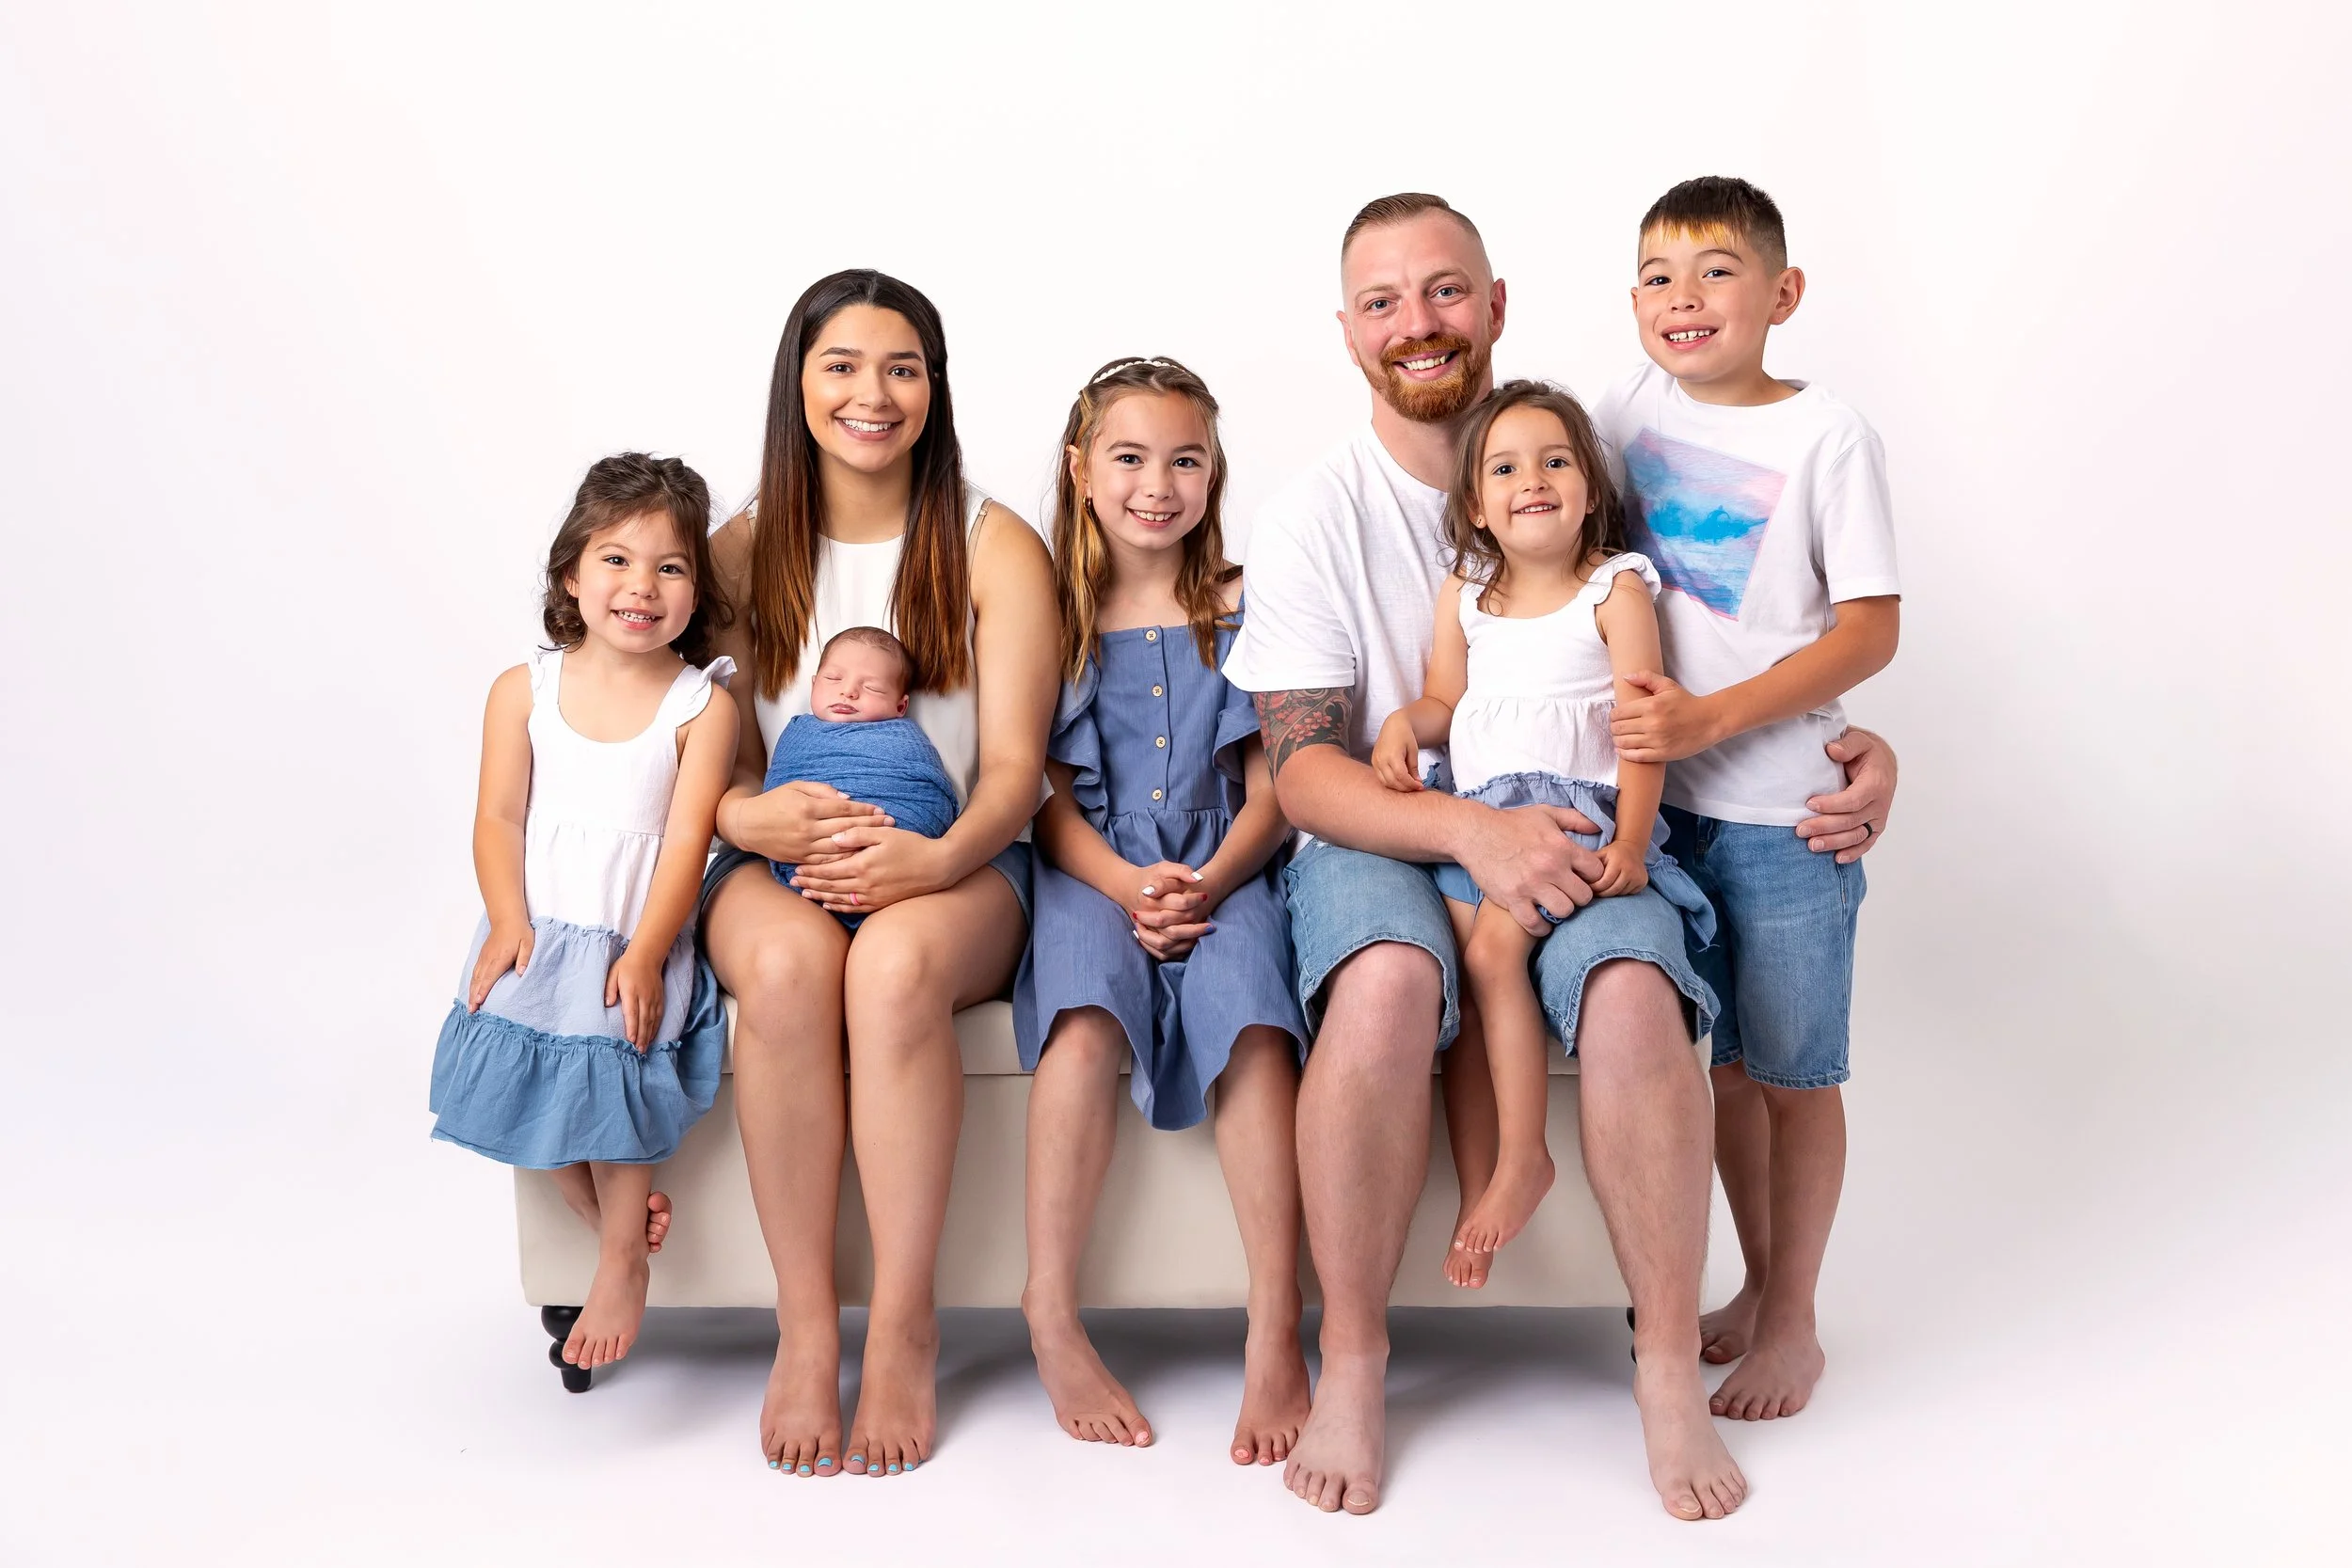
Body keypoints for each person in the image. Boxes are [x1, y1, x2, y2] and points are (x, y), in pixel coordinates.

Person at [1222, 192, 1898, 1522]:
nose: (1419, 323)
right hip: (1390, 820)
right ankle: (1352, 1357)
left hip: (1588, 817)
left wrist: (1850, 737)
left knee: (1642, 992)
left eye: (1446, 291)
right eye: (1383, 301)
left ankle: (1661, 1364)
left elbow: (1732, 613)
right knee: (1385, 986)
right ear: (1348, 330)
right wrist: (1466, 822)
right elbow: (1307, 768)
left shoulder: (1597, 447)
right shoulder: (1320, 514)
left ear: (1499, 304)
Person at [697, 270, 1058, 1480]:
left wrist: (935, 858)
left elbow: (1014, 768)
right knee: (795, 971)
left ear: (935, 388)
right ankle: (807, 1325)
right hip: (775, 857)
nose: (872, 393)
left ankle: (903, 1324)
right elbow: (716, 766)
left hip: (958, 858)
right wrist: (758, 823)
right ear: (798, 384)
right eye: (841, 365)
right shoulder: (743, 549)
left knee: (893, 968)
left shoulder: (993, 539)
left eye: (902, 367)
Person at [1595, 176, 1901, 1424]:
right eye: (1660, 277)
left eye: (1717, 272)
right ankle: (1748, 1277)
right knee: (1717, 1069)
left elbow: (1870, 628)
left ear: (1782, 294)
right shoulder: (1623, 410)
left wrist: (1715, 720)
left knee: (1795, 1072)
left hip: (1782, 813)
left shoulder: (1829, 436)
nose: (1686, 299)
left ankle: (1794, 1318)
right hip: (1660, 819)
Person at [1012, 356, 1310, 1465]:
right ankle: (1050, 1307)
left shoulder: (1243, 603)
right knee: (1084, 1017)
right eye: (1130, 458)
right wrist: (1123, 882)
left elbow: (1282, 774)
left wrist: (1214, 878)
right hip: (1091, 868)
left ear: (1213, 470)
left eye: (1185, 459)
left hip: (1227, 861)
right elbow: (1033, 788)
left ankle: (1275, 1319)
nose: (1158, 484)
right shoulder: (1049, 614)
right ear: (1082, 470)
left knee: (1253, 1020)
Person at [1370, 381, 1717, 1283]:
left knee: (1491, 960)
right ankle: (1485, 1178)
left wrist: (1633, 845)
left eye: (1556, 460)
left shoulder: (1614, 586)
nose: (1534, 480)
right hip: (1485, 818)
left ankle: (1524, 1159)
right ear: (1476, 507)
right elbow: (1448, 700)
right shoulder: (1467, 595)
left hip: (1573, 812)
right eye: (1507, 467)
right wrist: (1408, 723)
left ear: (1591, 490)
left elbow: (1644, 733)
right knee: (1465, 991)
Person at [429, 452, 739, 1375]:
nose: (640, 586)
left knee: (612, 1055)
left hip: (630, 932)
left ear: (694, 592)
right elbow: (497, 816)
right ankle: (605, 1216)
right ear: (571, 573)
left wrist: (645, 952)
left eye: (670, 567)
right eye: (616, 559)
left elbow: (686, 843)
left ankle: (619, 1263)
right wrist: (507, 921)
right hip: (537, 926)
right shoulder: (521, 689)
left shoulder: (700, 705)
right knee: (507, 1061)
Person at [762, 626, 959, 929]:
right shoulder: (798, 733)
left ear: (900, 706)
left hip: (893, 866)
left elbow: (930, 800)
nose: (849, 691)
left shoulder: (904, 738)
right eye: (834, 678)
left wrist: (878, 846)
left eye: (873, 688)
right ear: (814, 684)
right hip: (805, 869)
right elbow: (775, 794)